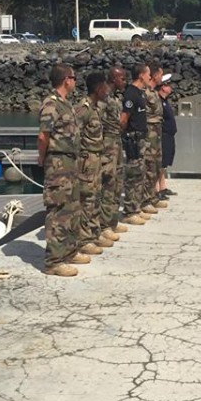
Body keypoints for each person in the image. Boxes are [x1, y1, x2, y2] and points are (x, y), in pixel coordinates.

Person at [37, 64, 89, 277]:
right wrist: (42, 157)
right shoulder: (51, 104)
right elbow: (43, 136)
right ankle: (54, 261)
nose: (76, 82)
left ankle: (69, 251)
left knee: (72, 209)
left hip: (71, 164)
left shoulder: (66, 104)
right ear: (66, 80)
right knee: (58, 210)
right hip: (58, 164)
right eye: (74, 78)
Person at [73, 72, 111, 257]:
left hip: (97, 159)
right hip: (86, 161)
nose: (107, 90)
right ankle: (84, 239)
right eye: (104, 86)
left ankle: (94, 233)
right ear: (97, 88)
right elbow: (74, 134)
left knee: (95, 197)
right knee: (86, 199)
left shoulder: (96, 108)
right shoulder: (84, 108)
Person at [120, 63, 152, 226]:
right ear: (141, 75)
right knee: (133, 175)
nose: (149, 78)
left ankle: (137, 207)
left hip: (141, 138)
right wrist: (125, 137)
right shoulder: (131, 94)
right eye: (148, 75)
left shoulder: (140, 93)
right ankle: (130, 210)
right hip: (133, 139)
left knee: (140, 173)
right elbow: (123, 119)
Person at [98, 66, 127, 241]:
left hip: (117, 142)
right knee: (107, 184)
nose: (124, 81)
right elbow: (97, 122)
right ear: (114, 78)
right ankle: (103, 225)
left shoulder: (116, 97)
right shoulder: (104, 97)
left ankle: (112, 220)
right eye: (122, 78)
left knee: (117, 182)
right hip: (107, 144)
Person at [143, 62, 167, 213]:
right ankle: (146, 199)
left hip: (156, 134)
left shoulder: (154, 92)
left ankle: (153, 196)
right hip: (148, 135)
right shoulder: (145, 93)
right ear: (154, 75)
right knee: (149, 167)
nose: (162, 77)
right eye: (160, 74)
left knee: (157, 166)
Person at [157, 74, 177, 197]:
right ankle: (157, 188)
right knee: (160, 163)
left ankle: (163, 186)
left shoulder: (164, 101)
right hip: (163, 135)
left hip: (169, 135)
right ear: (163, 87)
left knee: (164, 164)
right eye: (168, 85)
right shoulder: (158, 101)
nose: (171, 87)